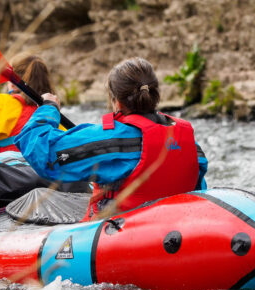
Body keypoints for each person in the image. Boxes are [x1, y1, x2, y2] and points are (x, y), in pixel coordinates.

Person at [14, 57, 208, 221]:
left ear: (116, 100)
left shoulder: (109, 139)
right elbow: (199, 189)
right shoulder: (189, 142)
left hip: (125, 235)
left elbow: (44, 153)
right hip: (178, 229)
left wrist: (48, 108)